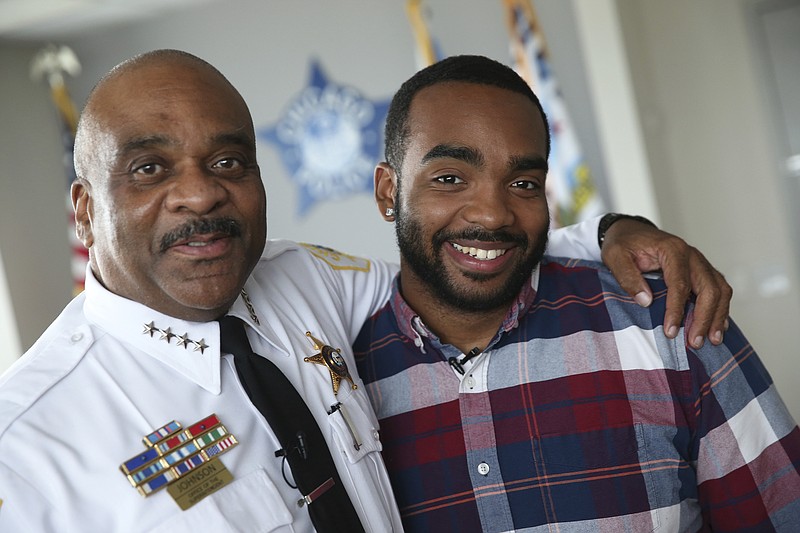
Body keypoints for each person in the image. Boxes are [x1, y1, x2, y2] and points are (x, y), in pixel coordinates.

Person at [0, 49, 731, 532]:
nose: (200, 193)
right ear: (86, 210)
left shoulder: (300, 281)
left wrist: (615, 230)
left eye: (228, 160)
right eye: (150, 169)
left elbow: (460, 257)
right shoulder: (26, 448)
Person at [354, 55, 800, 531]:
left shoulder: (667, 323)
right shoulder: (342, 381)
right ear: (388, 192)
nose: (491, 214)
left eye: (523, 183)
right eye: (449, 178)